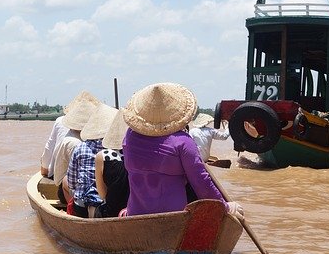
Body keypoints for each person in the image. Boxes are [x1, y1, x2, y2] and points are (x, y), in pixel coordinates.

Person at [121, 82, 244, 220]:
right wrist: (226, 207)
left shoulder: (129, 137)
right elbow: (201, 182)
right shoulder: (183, 141)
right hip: (173, 219)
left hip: (135, 215)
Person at [66, 103, 118, 218]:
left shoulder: (80, 147)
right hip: (109, 206)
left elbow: (71, 182)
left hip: (81, 206)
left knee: (66, 182)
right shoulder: (117, 151)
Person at [53, 91, 101, 204]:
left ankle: (71, 210)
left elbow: (58, 179)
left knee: (65, 181)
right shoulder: (102, 142)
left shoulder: (70, 142)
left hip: (79, 196)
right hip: (103, 194)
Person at [94, 108, 130, 218]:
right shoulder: (139, 154)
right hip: (135, 210)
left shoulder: (103, 156)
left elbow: (102, 194)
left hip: (111, 213)